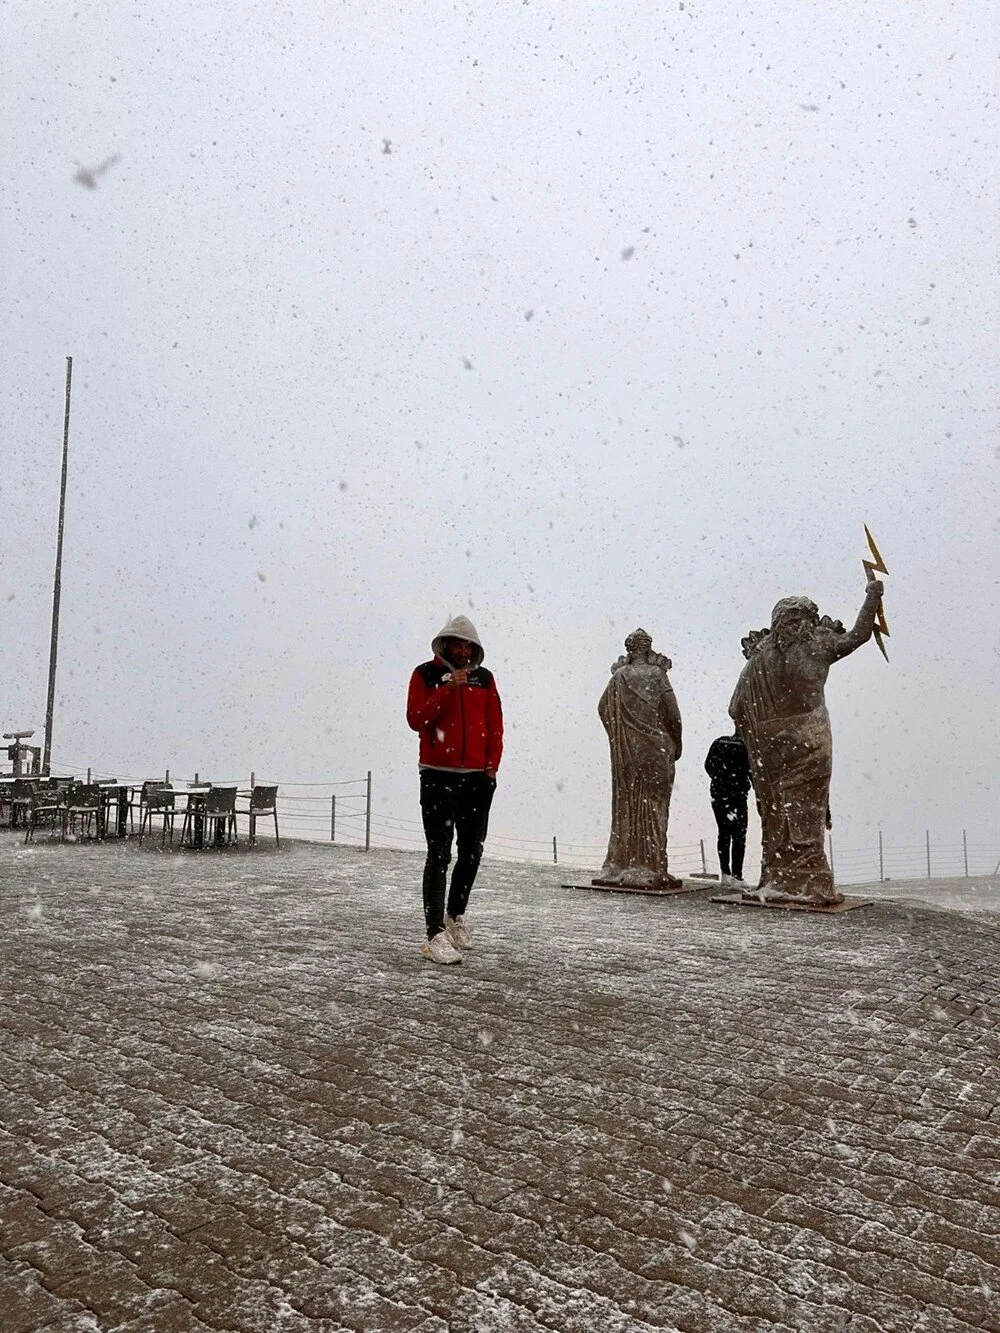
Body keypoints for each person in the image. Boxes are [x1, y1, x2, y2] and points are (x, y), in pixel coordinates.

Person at [729, 578, 884, 905]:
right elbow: (858, 635)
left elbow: (736, 708)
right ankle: (809, 882)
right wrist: (872, 596)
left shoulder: (758, 661)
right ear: (805, 621)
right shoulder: (817, 644)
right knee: (807, 810)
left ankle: (779, 877)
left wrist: (761, 736)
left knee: (777, 812)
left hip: (771, 748)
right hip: (809, 740)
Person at [406, 615, 503, 964]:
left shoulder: (485, 678)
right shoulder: (425, 674)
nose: (462, 650)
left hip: (477, 778)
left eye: (468, 645)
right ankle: (434, 934)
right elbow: (416, 719)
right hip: (437, 775)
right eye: (456, 643)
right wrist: (448, 688)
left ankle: (454, 916)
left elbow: (495, 724)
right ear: (445, 644)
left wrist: (491, 768)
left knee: (472, 851)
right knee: (439, 853)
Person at [597, 628, 683, 889]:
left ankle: (625, 862)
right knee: (654, 808)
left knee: (628, 807)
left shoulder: (619, 677)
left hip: (628, 751)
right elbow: (673, 713)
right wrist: (675, 741)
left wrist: (620, 733)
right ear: (647, 648)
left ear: (629, 649)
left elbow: (602, 708)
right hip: (655, 749)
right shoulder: (657, 675)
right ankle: (650, 863)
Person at [704, 728, 752, 885]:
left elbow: (708, 765)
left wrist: (719, 780)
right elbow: (753, 773)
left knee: (724, 833)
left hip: (719, 794)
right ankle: (737, 875)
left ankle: (726, 873)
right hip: (738, 795)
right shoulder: (747, 747)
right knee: (739, 834)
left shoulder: (719, 742)